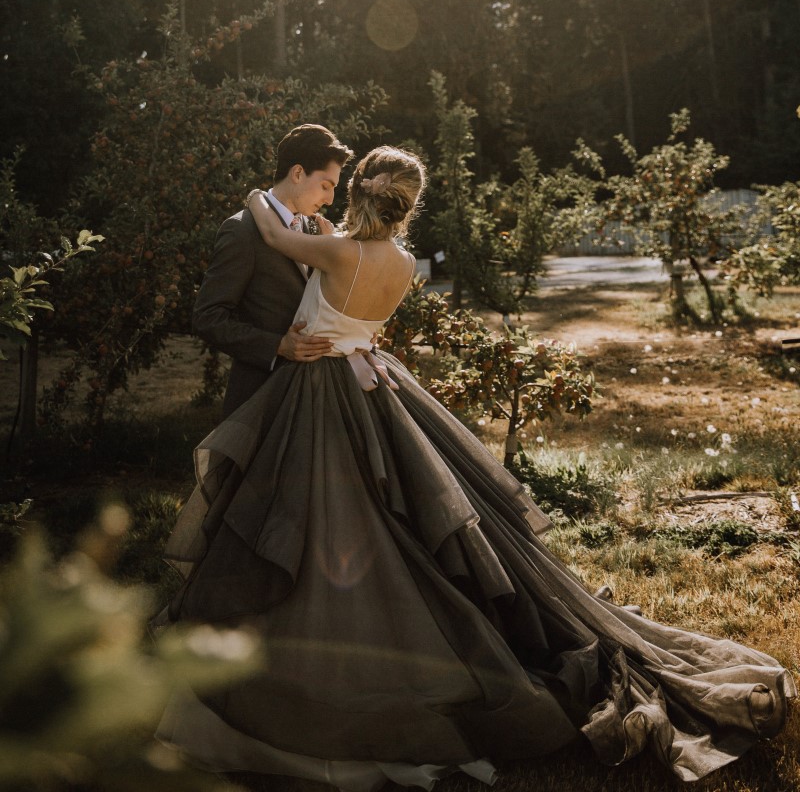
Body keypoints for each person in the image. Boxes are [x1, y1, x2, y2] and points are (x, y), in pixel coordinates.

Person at [157, 146, 795, 789]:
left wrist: (251, 202)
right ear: (405, 203)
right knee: (400, 511)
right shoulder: (399, 261)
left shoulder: (333, 250)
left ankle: (326, 649)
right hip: (373, 380)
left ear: (357, 192)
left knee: (329, 520)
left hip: (324, 392)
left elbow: (272, 231)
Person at [193, 123, 353, 416]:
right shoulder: (241, 230)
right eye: (326, 186)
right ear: (297, 173)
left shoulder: (316, 231)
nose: (330, 199)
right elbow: (208, 317)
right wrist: (277, 345)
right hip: (259, 398)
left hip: (314, 401)